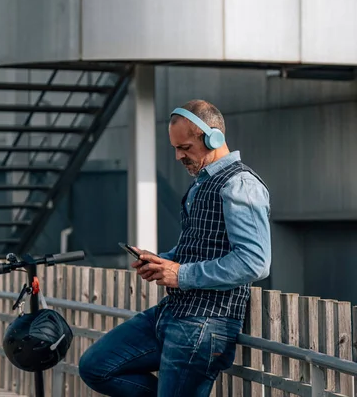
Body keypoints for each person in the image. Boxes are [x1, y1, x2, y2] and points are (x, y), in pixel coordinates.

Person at [79, 99, 271, 397]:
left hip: (206, 322)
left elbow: (254, 263)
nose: (179, 156)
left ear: (213, 138)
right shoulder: (202, 182)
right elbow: (200, 246)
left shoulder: (241, 185)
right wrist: (161, 261)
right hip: (174, 312)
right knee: (95, 366)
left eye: (185, 148)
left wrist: (180, 274)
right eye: (176, 149)